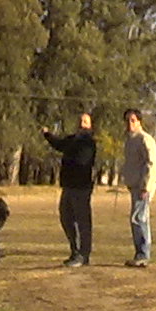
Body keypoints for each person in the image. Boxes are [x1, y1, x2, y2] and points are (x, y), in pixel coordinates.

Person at [41, 112, 98, 265]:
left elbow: (79, 159)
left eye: (85, 122)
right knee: (66, 218)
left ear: (90, 126)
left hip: (81, 187)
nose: (82, 124)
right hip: (67, 186)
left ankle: (83, 254)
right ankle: (74, 250)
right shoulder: (72, 140)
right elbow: (59, 144)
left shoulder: (88, 142)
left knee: (82, 221)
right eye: (80, 121)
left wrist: (67, 149)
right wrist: (47, 135)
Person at [121, 108, 156, 266]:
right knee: (138, 218)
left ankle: (143, 254)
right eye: (128, 120)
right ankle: (140, 254)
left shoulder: (145, 139)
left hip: (143, 186)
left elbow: (150, 163)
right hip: (134, 185)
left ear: (139, 122)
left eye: (133, 120)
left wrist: (146, 186)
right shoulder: (129, 140)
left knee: (139, 218)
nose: (130, 124)